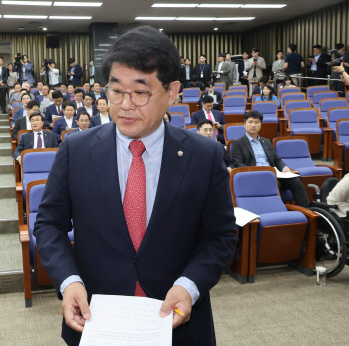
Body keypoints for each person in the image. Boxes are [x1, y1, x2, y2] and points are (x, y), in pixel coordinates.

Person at [33, 26, 237, 346]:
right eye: (115, 90)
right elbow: (48, 225)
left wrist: (190, 286)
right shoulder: (75, 151)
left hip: (177, 323)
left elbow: (220, 236)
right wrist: (69, 282)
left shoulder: (204, 155)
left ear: (171, 92)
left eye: (140, 92)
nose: (125, 104)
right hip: (96, 321)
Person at [231, 110, 310, 208]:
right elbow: (238, 163)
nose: (253, 125)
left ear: (261, 125)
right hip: (255, 176)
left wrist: (284, 168)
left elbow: (276, 159)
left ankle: (307, 211)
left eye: (256, 122)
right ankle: (278, 211)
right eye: (250, 122)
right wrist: (256, 172)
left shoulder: (267, 141)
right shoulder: (237, 143)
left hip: (273, 173)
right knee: (276, 184)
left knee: (296, 181)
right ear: (244, 124)